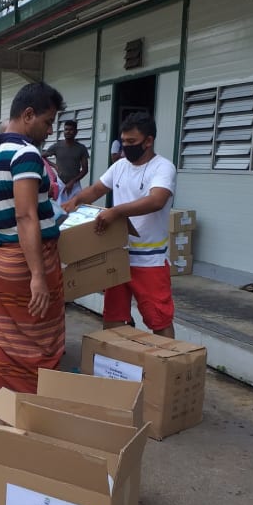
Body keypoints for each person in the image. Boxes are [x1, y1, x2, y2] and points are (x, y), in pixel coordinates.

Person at [0, 81, 66, 394]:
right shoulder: (26, 155)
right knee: (41, 337)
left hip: (0, 260)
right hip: (28, 262)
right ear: (28, 115)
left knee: (8, 336)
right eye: (47, 122)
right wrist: (38, 275)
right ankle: (35, 408)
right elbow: (26, 216)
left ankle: (5, 400)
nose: (49, 130)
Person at [62, 111, 176, 338]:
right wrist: (73, 202)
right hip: (118, 255)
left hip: (149, 260)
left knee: (159, 318)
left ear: (149, 141)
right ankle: (114, 365)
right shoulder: (120, 166)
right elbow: (96, 190)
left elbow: (157, 200)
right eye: (123, 142)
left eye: (132, 142)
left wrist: (115, 212)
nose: (126, 147)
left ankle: (167, 366)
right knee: (114, 317)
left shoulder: (163, 167)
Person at [42, 119, 89, 205]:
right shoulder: (57, 146)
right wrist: (54, 166)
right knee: (60, 211)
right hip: (60, 184)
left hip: (75, 185)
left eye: (71, 130)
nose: (68, 132)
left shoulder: (81, 148)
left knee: (75, 210)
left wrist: (72, 182)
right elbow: (42, 156)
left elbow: (85, 170)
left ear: (76, 132)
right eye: (66, 129)